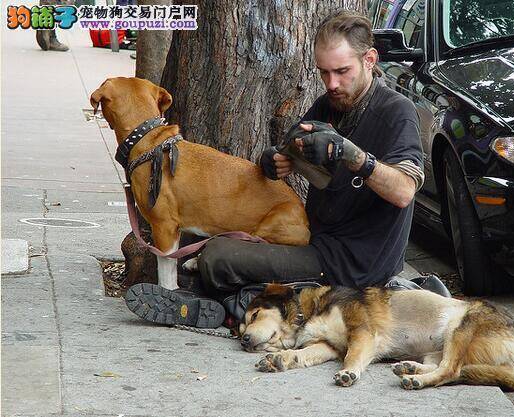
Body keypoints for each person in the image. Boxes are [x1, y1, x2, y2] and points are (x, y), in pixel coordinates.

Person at [126, 10, 447, 328]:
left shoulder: (396, 112)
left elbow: (404, 191)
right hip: (314, 242)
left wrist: (354, 156)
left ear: (370, 60)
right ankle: (259, 302)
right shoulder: (329, 104)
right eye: (324, 73)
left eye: (342, 71)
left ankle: (235, 310)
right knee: (211, 251)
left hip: (355, 264)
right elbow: (291, 151)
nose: (332, 83)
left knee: (217, 258)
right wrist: (276, 161)